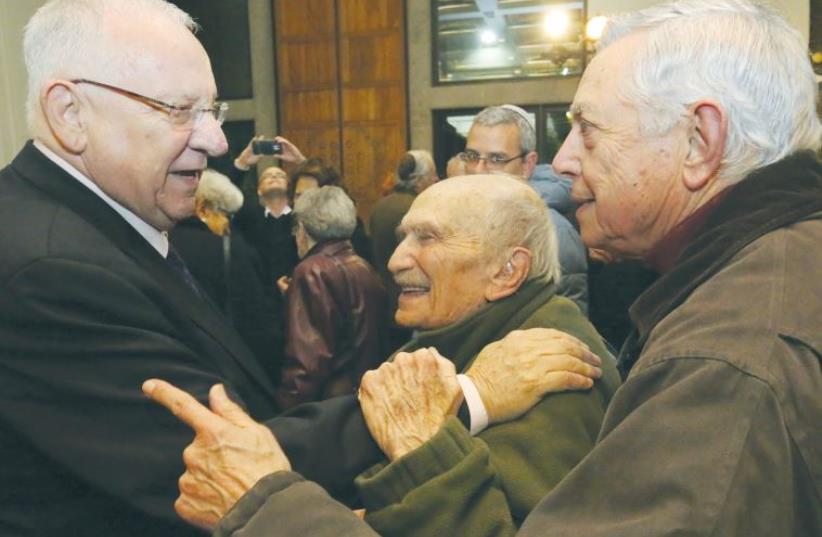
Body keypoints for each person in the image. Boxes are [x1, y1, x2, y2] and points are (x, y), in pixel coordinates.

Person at [147, 0, 821, 535]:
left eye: (587, 129)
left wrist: (272, 506)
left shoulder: (730, 357)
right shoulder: (755, 285)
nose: (566, 162)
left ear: (700, 142)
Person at [145, 174, 621, 532]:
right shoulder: (468, 343)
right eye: (402, 237)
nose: (396, 261)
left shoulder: (554, 365)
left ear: (506, 271)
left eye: (428, 238)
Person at [457, 105, 590, 314]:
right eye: (472, 156)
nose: (479, 170)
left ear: (528, 165)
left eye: (497, 159)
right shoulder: (454, 219)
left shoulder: (555, 234)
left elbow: (566, 328)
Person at [276, 186, 389, 410]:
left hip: (327, 408)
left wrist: (285, 414)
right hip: (363, 399)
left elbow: (307, 363)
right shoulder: (362, 266)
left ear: (303, 228)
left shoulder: (311, 271)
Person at [170, 169, 283, 379]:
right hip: (222, 368)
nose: (228, 223)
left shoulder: (161, 243)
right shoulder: (233, 251)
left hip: (176, 362)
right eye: (225, 214)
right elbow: (256, 324)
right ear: (203, 208)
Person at [369, 150, 438, 348]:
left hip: (385, 305)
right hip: (415, 305)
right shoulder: (419, 210)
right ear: (419, 182)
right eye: (432, 178)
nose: (435, 182)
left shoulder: (379, 206)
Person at [230, 135, 305, 284]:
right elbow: (226, 194)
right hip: (257, 296)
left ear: (290, 187)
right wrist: (242, 163)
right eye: (267, 176)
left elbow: (324, 194)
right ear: (259, 190)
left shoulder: (303, 215)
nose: (274, 177)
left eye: (280, 175)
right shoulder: (248, 217)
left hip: (299, 291)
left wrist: (300, 160)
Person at [289, 156, 374, 263]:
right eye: (298, 195)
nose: (302, 201)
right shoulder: (294, 227)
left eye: (310, 196)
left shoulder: (349, 229)